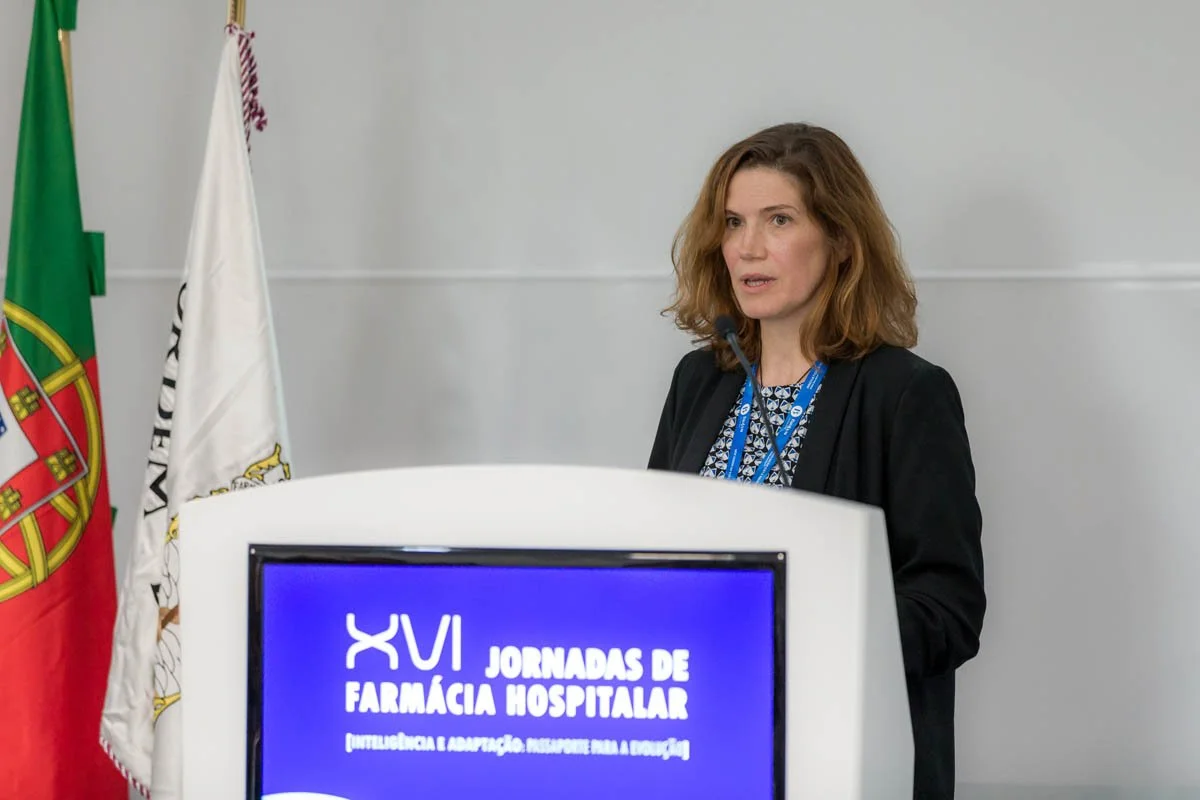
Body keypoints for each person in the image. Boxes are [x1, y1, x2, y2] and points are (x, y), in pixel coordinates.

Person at [647, 122, 985, 799]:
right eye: (733, 222)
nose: (747, 247)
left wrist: (804, 634)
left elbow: (948, 609)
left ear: (839, 240)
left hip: (836, 755)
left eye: (778, 220)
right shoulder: (700, 381)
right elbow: (651, 554)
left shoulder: (905, 394)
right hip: (697, 742)